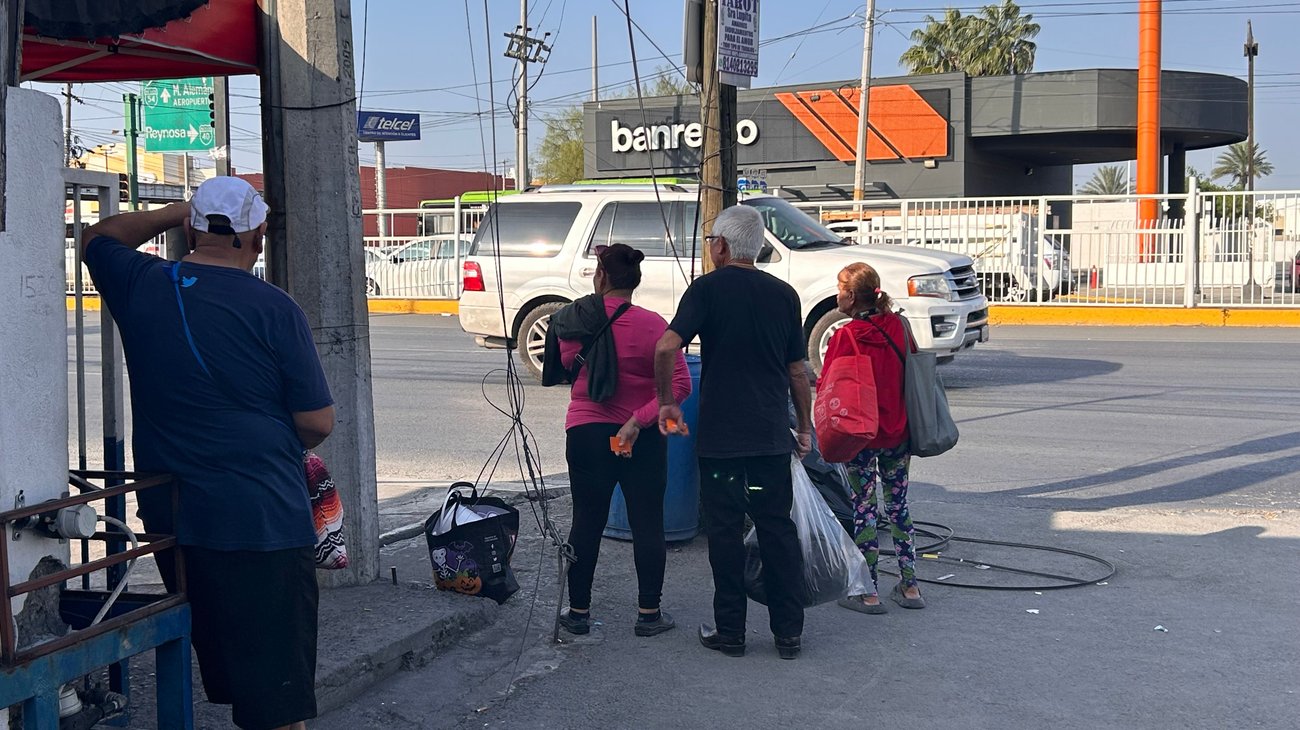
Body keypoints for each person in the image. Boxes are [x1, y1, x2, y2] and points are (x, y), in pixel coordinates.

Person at [81, 177, 334, 730]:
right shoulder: (275, 307)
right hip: (262, 519)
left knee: (214, 654)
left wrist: (179, 211)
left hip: (174, 520)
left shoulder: (141, 283)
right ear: (258, 235)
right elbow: (316, 422)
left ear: (192, 227)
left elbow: (99, 236)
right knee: (275, 699)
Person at [654, 205, 813, 660]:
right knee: (776, 529)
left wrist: (667, 400)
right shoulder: (784, 295)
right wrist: (804, 428)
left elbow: (667, 346)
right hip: (767, 439)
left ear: (721, 246)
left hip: (721, 444)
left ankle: (732, 634)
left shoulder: (705, 289)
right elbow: (797, 372)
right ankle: (788, 634)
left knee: (724, 534)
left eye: (711, 243)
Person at [551, 243, 692, 637]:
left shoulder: (578, 319)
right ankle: (649, 614)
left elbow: (564, 366)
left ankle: (578, 612)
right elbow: (680, 385)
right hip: (641, 436)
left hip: (586, 433)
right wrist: (639, 419)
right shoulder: (654, 325)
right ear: (635, 281)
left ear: (602, 277)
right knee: (648, 522)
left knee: (587, 521)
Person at [823, 262, 925, 614]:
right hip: (899, 433)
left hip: (860, 437)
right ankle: (910, 586)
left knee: (864, 508)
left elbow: (828, 387)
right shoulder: (898, 326)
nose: (837, 294)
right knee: (899, 506)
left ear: (851, 296)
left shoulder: (844, 337)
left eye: (840, 288)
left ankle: (868, 592)